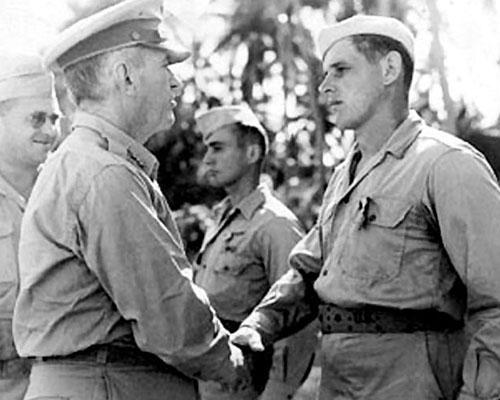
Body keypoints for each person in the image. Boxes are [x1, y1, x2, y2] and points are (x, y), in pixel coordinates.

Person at [232, 14, 500, 400]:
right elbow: (309, 271)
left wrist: (478, 394)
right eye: (326, 74)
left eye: (341, 70)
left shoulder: (446, 164)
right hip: (339, 375)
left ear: (389, 68)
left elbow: (494, 300)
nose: (325, 86)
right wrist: (261, 324)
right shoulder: (345, 175)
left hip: (411, 375)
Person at [12, 0, 251, 399]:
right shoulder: (104, 173)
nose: (176, 84)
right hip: (106, 384)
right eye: (164, 66)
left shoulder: (86, 163)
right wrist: (235, 364)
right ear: (125, 76)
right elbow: (171, 320)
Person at [194, 105, 318, 400]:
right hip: (210, 385)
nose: (207, 159)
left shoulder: (274, 225)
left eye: (218, 148)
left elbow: (300, 319)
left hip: (247, 389)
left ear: (251, 154)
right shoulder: (223, 218)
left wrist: (276, 393)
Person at [0, 51, 58, 400]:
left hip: (58, 383)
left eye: (54, 118)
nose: (50, 131)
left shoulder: (67, 191)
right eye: (37, 119)